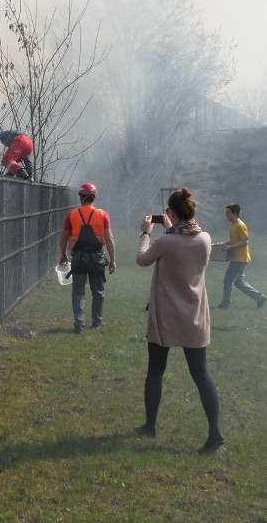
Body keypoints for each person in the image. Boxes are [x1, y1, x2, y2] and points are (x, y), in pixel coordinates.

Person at [135, 187, 225, 453]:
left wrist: (145, 233)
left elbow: (142, 259)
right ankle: (215, 433)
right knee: (201, 374)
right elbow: (185, 242)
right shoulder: (205, 238)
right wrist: (172, 227)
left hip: (166, 316)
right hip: (195, 316)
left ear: (172, 213)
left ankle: (150, 425)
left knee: (155, 371)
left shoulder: (165, 241)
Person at [59, 182, 116, 333]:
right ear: (94, 197)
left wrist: (63, 255)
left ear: (80, 197)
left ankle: (79, 324)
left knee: (78, 292)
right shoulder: (103, 215)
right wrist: (113, 260)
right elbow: (109, 238)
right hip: (97, 257)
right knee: (98, 291)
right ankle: (97, 322)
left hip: (78, 258)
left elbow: (64, 237)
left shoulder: (72, 215)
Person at [216, 203, 266, 309]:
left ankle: (225, 305)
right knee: (239, 282)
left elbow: (245, 242)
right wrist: (225, 243)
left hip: (240, 259)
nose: (226, 215)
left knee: (228, 281)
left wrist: (230, 247)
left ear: (235, 213)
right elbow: (235, 240)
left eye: (228, 213)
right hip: (237, 258)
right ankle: (260, 298)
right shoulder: (234, 225)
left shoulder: (240, 225)